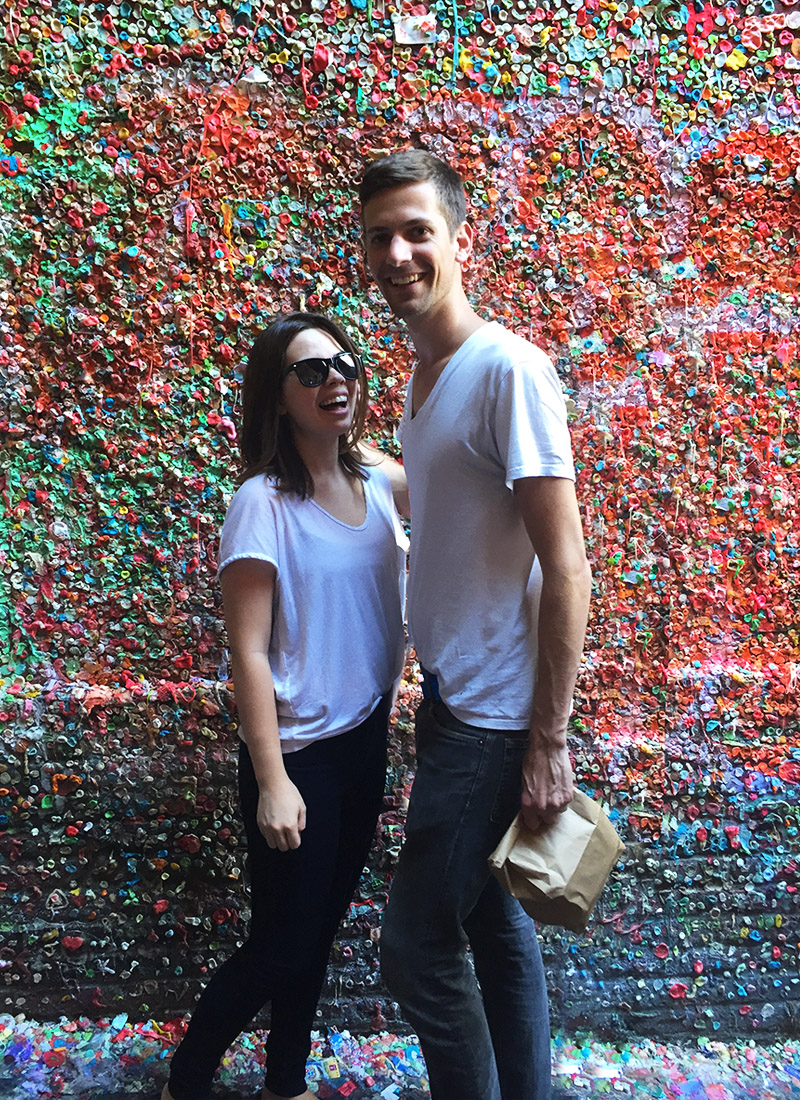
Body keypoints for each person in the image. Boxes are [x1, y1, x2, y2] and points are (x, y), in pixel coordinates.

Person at [359, 150, 592, 1100]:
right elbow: (460, 493)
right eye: (381, 236)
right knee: (495, 922)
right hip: (454, 695)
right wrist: (371, 466)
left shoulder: (509, 370)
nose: (399, 252)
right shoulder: (427, 373)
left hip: (497, 716)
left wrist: (548, 740)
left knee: (417, 946)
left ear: (462, 240)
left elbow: (568, 563)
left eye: (419, 230)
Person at [162, 312, 408, 1100]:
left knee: (317, 935)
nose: (335, 378)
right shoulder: (262, 502)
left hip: (365, 739)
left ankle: (285, 1085)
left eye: (345, 363)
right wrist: (272, 781)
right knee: (279, 943)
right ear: (277, 397)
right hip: (297, 754)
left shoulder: (373, 480)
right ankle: (187, 1081)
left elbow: (449, 466)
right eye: (310, 371)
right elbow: (249, 651)